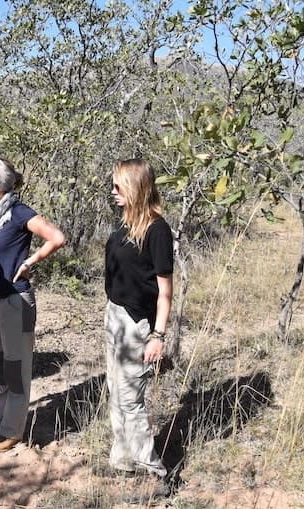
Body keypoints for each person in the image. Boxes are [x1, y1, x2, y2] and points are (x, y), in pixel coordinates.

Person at [0, 158, 65, 453]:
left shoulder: (19, 212)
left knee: (16, 366)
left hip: (16, 301)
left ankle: (12, 429)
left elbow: (57, 237)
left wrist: (29, 262)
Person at [102, 158, 173, 503]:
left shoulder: (157, 229)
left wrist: (158, 336)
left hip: (136, 323)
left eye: (119, 186)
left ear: (135, 187)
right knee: (115, 390)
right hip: (114, 315)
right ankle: (124, 460)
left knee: (131, 401)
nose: (113, 192)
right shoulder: (125, 223)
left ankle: (155, 470)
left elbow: (165, 290)